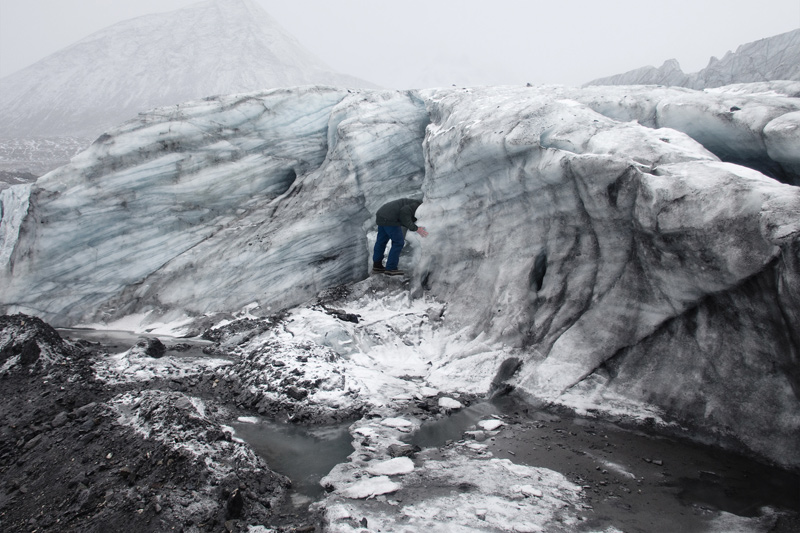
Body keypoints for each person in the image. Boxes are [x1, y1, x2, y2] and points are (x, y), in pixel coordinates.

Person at [372, 198, 428, 275]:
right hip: (390, 218)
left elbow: (405, 221)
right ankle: (391, 268)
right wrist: (416, 229)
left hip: (381, 214)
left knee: (381, 242)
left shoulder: (411, 203)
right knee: (398, 242)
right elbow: (404, 213)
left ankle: (377, 266)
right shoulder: (418, 205)